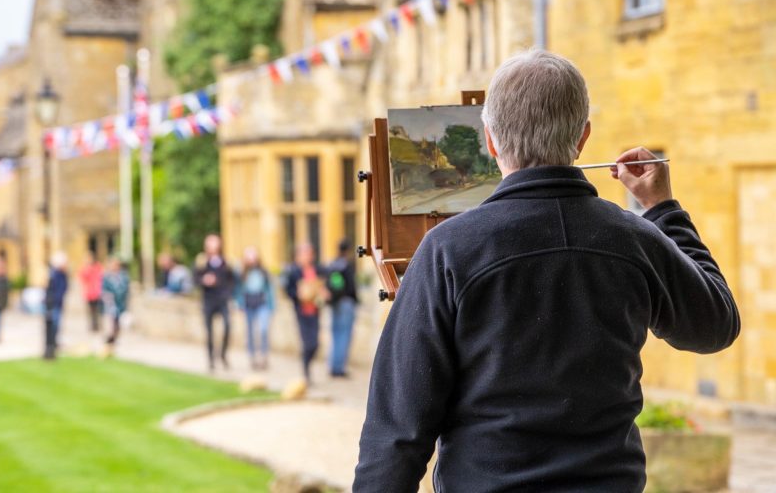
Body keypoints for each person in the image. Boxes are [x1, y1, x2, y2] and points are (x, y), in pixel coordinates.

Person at [354, 51, 740, 492]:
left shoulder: (447, 249)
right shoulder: (632, 238)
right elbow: (715, 325)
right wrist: (664, 210)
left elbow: (396, 434)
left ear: (491, 141)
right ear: (583, 138)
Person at [285, 243, 326, 383]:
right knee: (307, 343)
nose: (308, 256)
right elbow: (288, 290)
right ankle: (306, 370)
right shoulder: (294, 271)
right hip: (302, 311)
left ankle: (307, 364)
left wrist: (323, 292)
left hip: (314, 310)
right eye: (305, 253)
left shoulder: (317, 269)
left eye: (310, 253)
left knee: (315, 344)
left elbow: (325, 284)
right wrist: (298, 294)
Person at [194, 234, 235, 371]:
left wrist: (229, 294)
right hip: (208, 300)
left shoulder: (225, 262)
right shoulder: (202, 262)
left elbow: (232, 281)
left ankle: (222, 354)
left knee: (228, 326)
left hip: (222, 300)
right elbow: (195, 279)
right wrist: (204, 280)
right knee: (209, 332)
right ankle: (211, 360)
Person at [235, 246, 275, 370]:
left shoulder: (263, 272)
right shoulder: (242, 273)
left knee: (263, 330)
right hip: (248, 304)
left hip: (262, 303)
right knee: (250, 332)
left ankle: (264, 355)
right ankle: (252, 357)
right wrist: (239, 304)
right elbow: (238, 290)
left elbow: (270, 289)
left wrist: (272, 306)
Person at [326, 239, 358, 377]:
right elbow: (351, 287)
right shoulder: (346, 265)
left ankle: (332, 365)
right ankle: (339, 368)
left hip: (334, 303)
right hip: (345, 303)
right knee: (344, 335)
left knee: (335, 335)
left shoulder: (333, 264)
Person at [44, 252, 69, 359]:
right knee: (52, 326)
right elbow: (51, 290)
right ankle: (50, 348)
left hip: (57, 303)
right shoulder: (54, 274)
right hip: (53, 304)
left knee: (55, 326)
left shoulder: (60, 275)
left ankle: (52, 346)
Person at [102, 257, 130, 346]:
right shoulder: (107, 277)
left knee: (119, 322)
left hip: (120, 303)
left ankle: (116, 337)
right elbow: (104, 289)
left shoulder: (123, 276)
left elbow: (125, 288)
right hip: (110, 302)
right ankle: (110, 338)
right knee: (111, 321)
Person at [78, 251, 103, 332]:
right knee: (91, 310)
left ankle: (97, 325)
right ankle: (92, 326)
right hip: (89, 293)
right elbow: (82, 277)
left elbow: (101, 276)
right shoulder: (86, 268)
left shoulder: (97, 267)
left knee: (97, 310)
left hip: (97, 292)